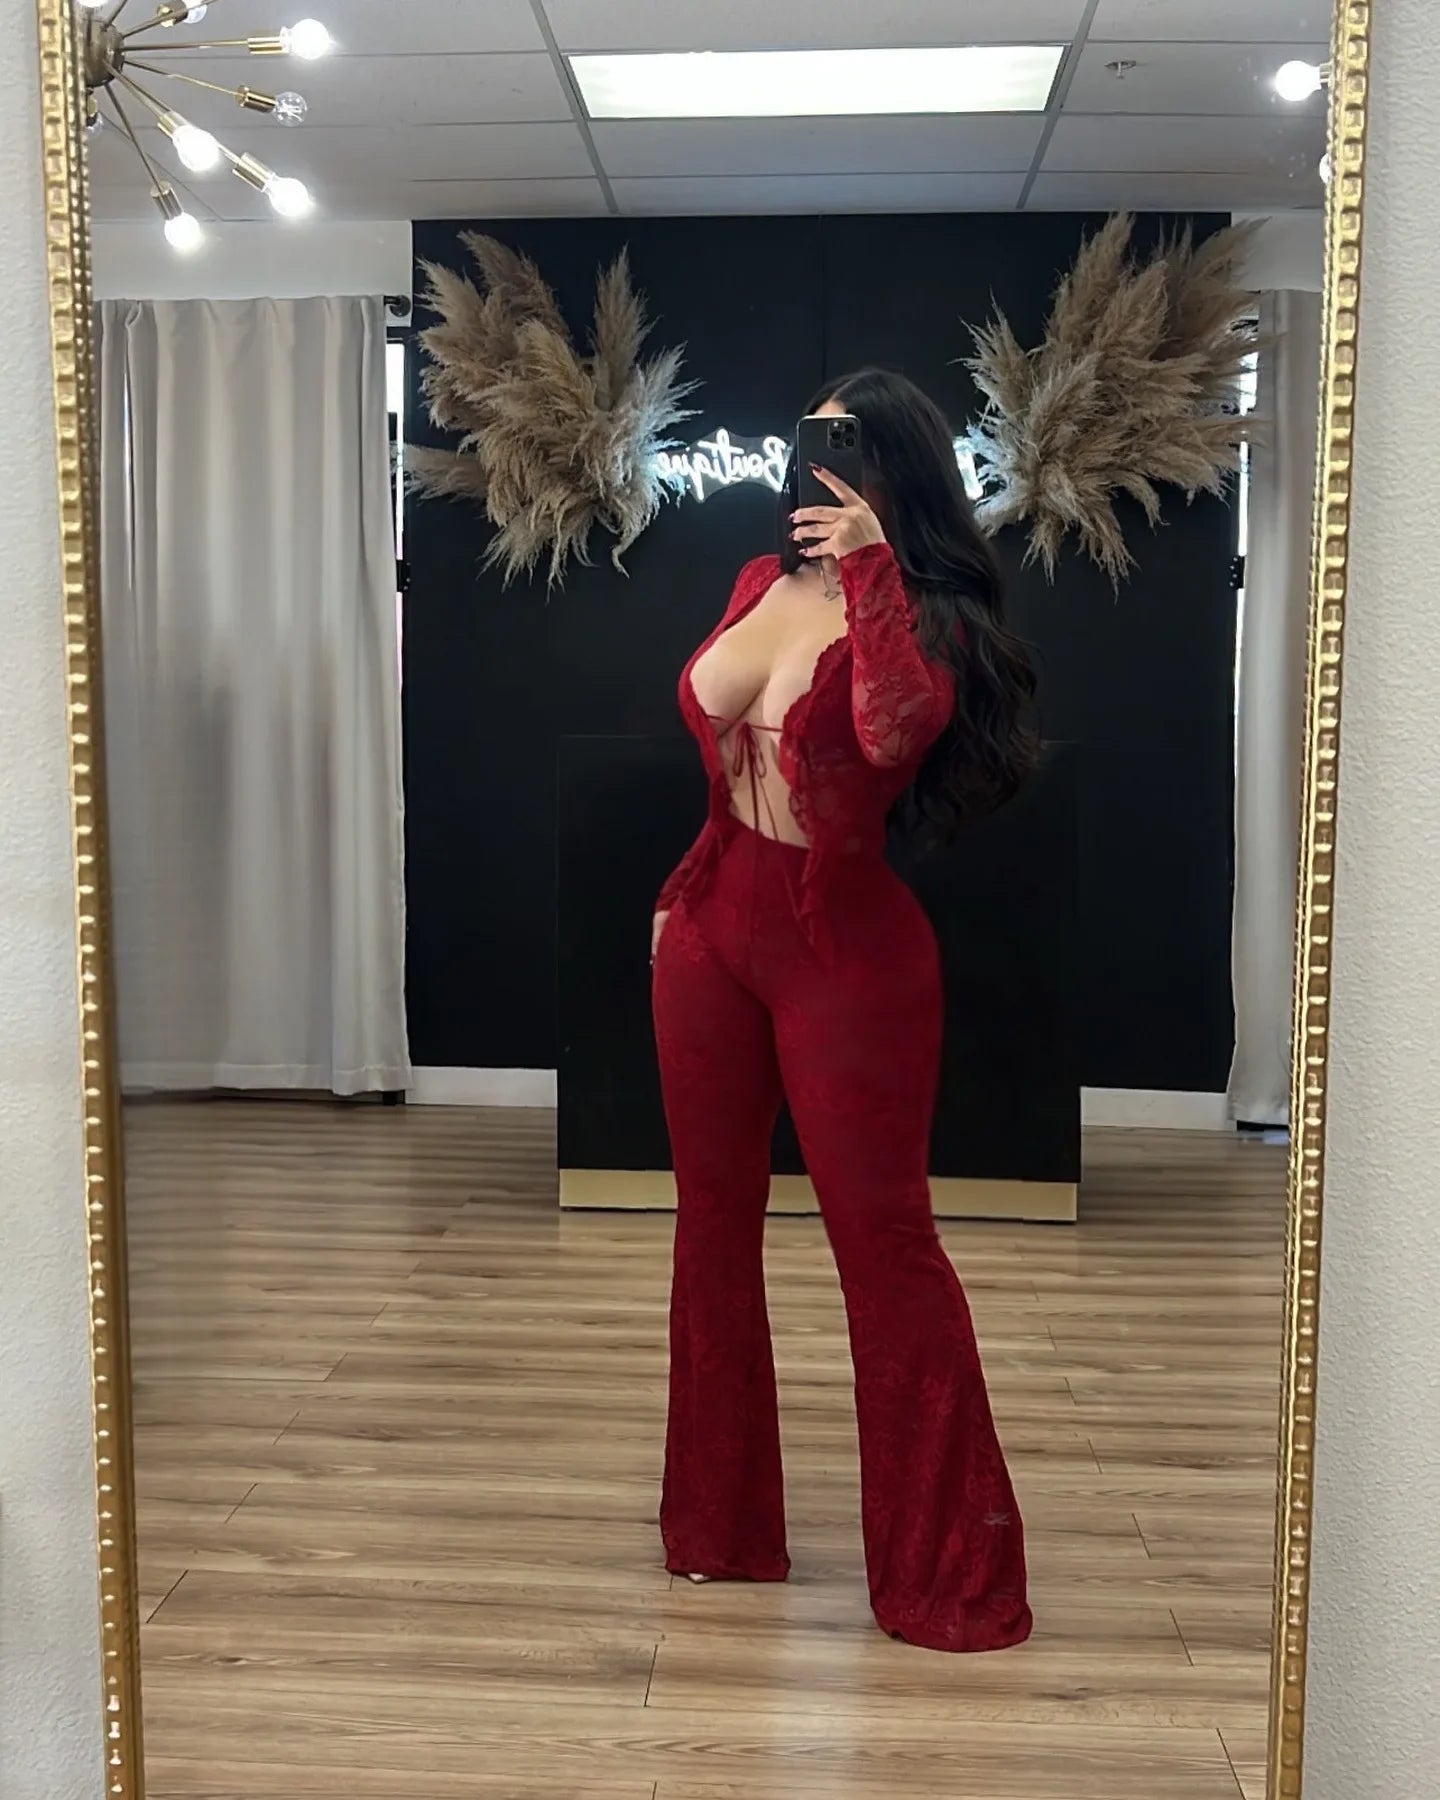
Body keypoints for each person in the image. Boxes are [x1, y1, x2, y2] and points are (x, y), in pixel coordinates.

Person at [649, 367, 1038, 1654]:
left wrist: (872, 565)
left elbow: (887, 733)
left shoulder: (928, 616)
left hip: (847, 954)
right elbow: (722, 747)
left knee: (884, 1247)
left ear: (896, 464)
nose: (821, 459)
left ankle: (947, 1577)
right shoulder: (759, 584)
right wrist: (682, 896)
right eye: (813, 437)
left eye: (850, 442)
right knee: (710, 1226)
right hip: (710, 931)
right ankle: (718, 1529)